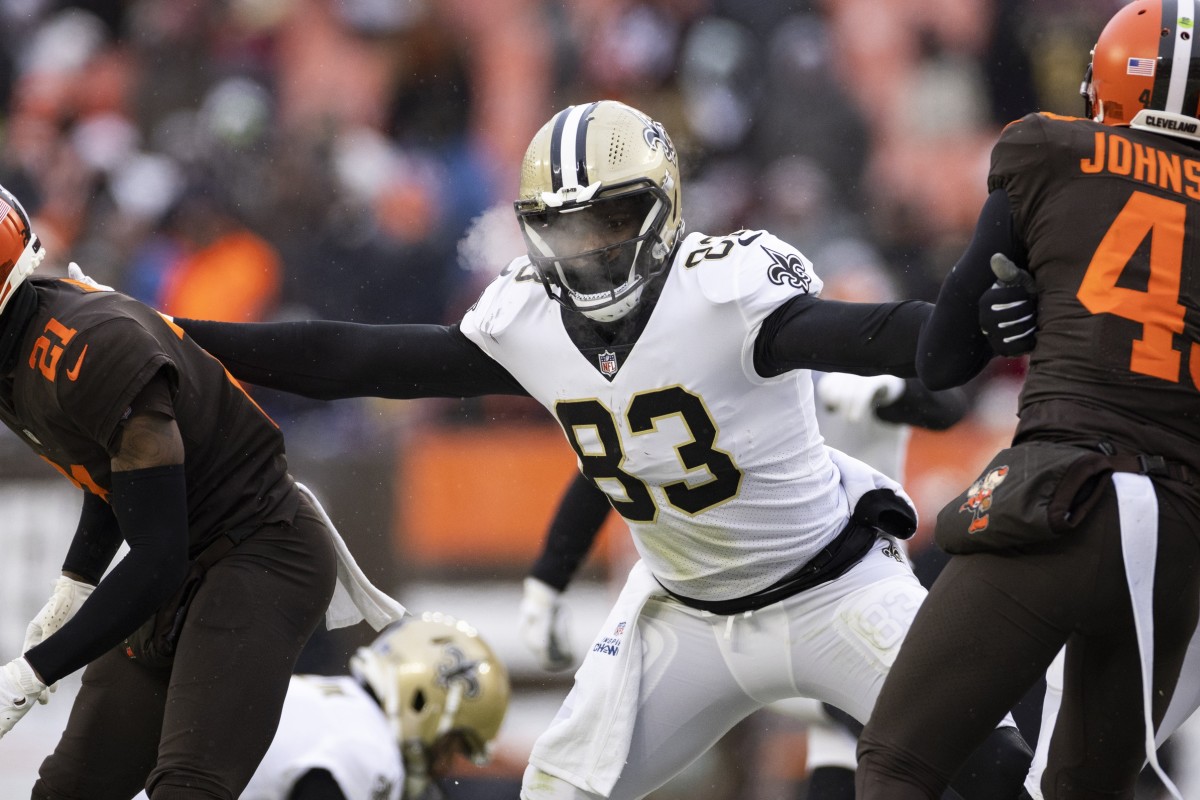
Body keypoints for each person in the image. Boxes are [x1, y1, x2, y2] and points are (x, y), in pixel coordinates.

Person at [165, 99, 1031, 800]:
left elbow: (882, 332)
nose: (593, 249)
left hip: (835, 585)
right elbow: (356, 359)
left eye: (613, 219)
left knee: (990, 765)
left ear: (662, 206)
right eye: (568, 228)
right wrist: (173, 335)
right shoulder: (527, 321)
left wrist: (974, 326)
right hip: (680, 615)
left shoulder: (724, 290)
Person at [854, 2, 1200, 797]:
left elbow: (942, 360)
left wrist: (1000, 314)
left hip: (1060, 499)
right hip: (1177, 539)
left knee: (899, 760)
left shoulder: (1049, 150)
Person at [0, 183, 402, 800]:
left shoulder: (90, 348)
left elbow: (157, 559)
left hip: (260, 551)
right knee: (68, 791)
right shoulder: (22, 346)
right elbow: (116, 476)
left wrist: (31, 672)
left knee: (188, 788)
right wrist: (74, 583)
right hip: (186, 554)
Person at [517, 369, 970, 800]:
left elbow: (946, 399)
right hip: (714, 612)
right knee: (572, 776)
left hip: (844, 605)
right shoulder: (719, 370)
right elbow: (608, 462)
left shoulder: (829, 369)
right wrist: (546, 582)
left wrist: (893, 387)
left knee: (936, 746)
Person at [236, 612, 510, 800]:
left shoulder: (331, 700)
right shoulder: (369, 747)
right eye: (450, 746)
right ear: (422, 702)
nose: (442, 767)